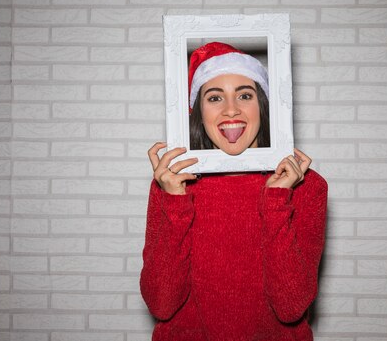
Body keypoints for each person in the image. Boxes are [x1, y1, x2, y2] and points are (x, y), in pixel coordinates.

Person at [140, 42, 328, 341]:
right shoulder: (173, 183)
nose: (231, 109)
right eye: (215, 97)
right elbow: (161, 304)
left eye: (244, 95)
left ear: (263, 106)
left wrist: (277, 200)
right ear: (198, 113)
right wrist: (175, 203)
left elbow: (290, 307)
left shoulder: (306, 186)